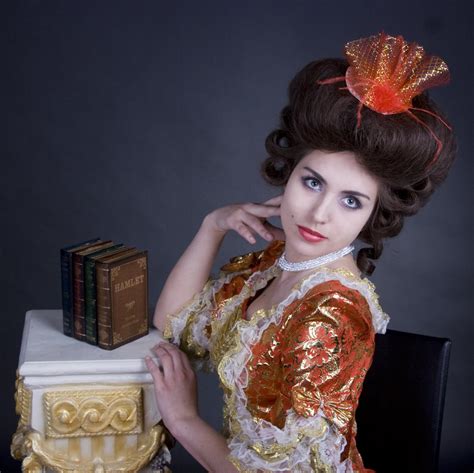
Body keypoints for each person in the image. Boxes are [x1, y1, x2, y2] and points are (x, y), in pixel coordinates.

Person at [144, 32, 457, 472]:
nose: (319, 214)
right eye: (313, 182)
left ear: (372, 215)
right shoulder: (274, 265)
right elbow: (173, 324)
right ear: (289, 174)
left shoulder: (331, 316)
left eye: (351, 201)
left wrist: (184, 420)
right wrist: (212, 226)